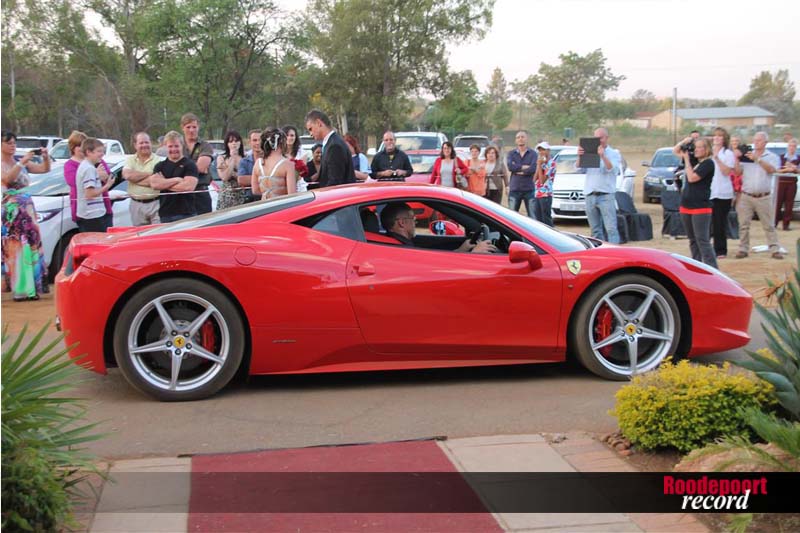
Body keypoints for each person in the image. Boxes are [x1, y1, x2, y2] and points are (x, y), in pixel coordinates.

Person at [1, 130, 49, 300]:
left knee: (30, 245)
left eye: (14, 143)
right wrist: (21, 163)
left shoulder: (19, 161)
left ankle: (33, 287)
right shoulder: (7, 164)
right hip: (11, 209)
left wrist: (45, 157)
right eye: (8, 143)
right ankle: (20, 289)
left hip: (27, 208)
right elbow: (7, 179)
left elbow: (44, 169)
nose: (12, 146)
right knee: (16, 247)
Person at [734, 132, 782, 260]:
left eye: (759, 140)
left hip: (763, 196)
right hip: (747, 195)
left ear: (765, 142)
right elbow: (738, 172)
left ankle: (774, 248)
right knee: (743, 224)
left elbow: (772, 170)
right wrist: (737, 159)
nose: (756, 143)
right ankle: (743, 249)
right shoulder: (746, 156)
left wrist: (758, 159)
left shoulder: (772, 156)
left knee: (768, 225)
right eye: (755, 140)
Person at [378, 202, 497, 253]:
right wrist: (473, 255)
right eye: (412, 218)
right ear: (402, 223)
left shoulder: (397, 243)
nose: (415, 222)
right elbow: (435, 269)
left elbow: (432, 262)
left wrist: (461, 250)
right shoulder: (402, 249)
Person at [672, 137, 717, 268]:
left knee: (702, 240)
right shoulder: (694, 161)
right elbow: (676, 151)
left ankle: (712, 268)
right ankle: (697, 266)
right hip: (686, 205)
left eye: (699, 147)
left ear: (706, 149)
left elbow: (692, 178)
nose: (696, 150)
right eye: (695, 147)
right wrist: (685, 141)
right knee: (692, 240)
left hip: (700, 207)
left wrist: (687, 160)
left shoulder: (708, 164)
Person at [577, 128, 621, 243]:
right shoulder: (590, 152)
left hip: (606, 194)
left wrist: (603, 156)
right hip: (590, 193)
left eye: (601, 138)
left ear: (607, 138)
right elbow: (579, 169)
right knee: (595, 229)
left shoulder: (614, 153)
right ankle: (599, 251)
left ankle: (614, 250)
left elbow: (612, 169)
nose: (599, 140)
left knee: (611, 228)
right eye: (596, 138)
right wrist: (580, 156)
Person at [63, 130, 113, 226]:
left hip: (102, 206)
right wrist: (96, 175)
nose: (83, 148)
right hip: (86, 210)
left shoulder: (98, 160)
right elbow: (75, 182)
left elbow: (109, 176)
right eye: (79, 145)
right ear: (73, 148)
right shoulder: (70, 165)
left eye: (84, 145)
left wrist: (104, 177)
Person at [150, 131, 199, 223]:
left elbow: (188, 187)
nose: (173, 149)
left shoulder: (190, 165)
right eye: (170, 146)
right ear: (165, 147)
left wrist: (164, 182)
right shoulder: (159, 166)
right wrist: (177, 180)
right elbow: (154, 184)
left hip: (186, 214)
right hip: (165, 214)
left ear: (182, 146)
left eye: (176, 146)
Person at [304, 109, 355, 187]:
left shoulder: (334, 146)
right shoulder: (331, 143)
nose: (310, 134)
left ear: (319, 123)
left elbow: (335, 182)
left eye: (311, 129)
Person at [123, 132, 163, 226]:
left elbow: (156, 182)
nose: (144, 145)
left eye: (146, 142)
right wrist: (150, 174)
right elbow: (127, 175)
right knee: (140, 233)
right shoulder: (130, 160)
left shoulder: (158, 160)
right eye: (141, 143)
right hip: (136, 205)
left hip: (156, 203)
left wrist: (135, 179)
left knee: (158, 232)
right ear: (135, 145)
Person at [708, 127, 736, 258]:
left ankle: (720, 250)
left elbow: (727, 172)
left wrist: (717, 159)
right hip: (710, 191)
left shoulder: (728, 154)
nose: (717, 138)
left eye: (720, 136)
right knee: (708, 222)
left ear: (724, 139)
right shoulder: (708, 151)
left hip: (723, 193)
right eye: (715, 136)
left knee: (719, 223)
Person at [76, 138, 114, 233]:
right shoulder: (89, 169)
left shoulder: (86, 166)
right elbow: (89, 194)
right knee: (99, 241)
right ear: (88, 152)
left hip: (89, 214)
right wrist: (107, 186)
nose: (102, 154)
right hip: (92, 215)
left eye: (103, 151)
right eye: (99, 151)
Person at [181, 113, 214, 214]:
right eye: (188, 127)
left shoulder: (205, 146)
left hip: (201, 193)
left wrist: (180, 168)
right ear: (182, 128)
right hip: (181, 194)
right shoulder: (177, 146)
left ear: (198, 127)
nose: (191, 130)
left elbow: (200, 167)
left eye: (194, 127)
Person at [252, 127, 296, 199]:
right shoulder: (288, 164)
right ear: (282, 142)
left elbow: (255, 190)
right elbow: (292, 193)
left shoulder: (258, 163)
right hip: (282, 204)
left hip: (265, 204)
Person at [506, 131, 537, 216]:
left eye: (522, 137)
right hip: (515, 189)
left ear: (526, 139)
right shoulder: (511, 153)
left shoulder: (533, 154)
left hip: (529, 189)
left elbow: (533, 168)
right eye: (518, 137)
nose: (520, 139)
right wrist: (524, 167)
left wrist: (518, 169)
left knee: (533, 216)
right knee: (511, 216)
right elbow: (510, 167)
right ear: (515, 140)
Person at [216, 130, 247, 209]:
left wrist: (232, 173)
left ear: (240, 142)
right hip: (226, 197)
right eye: (231, 141)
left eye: (236, 141)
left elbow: (245, 177)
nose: (234, 143)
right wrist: (232, 159)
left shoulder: (246, 158)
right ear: (227, 144)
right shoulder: (221, 158)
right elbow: (224, 177)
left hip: (243, 196)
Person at [776, 138, 798, 230]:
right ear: (787, 147)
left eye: (794, 146)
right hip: (781, 182)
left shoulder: (798, 158)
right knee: (778, 203)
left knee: (789, 205)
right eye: (790, 146)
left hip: (792, 183)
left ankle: (786, 225)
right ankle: (774, 223)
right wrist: (787, 169)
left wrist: (794, 169)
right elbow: (777, 170)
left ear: (796, 148)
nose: (792, 148)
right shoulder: (781, 157)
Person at [533, 142, 555, 227]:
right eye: (540, 150)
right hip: (538, 193)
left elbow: (542, 181)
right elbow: (534, 179)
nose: (541, 152)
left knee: (546, 218)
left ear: (548, 150)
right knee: (538, 219)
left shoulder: (551, 163)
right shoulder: (542, 163)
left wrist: (539, 165)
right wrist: (538, 166)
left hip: (546, 194)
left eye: (543, 150)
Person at [237, 129, 262, 203]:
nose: (258, 143)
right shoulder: (244, 161)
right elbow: (241, 180)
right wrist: (265, 178)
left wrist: (250, 179)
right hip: (250, 200)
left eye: (260, 140)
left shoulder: (270, 160)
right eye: (254, 140)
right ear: (249, 142)